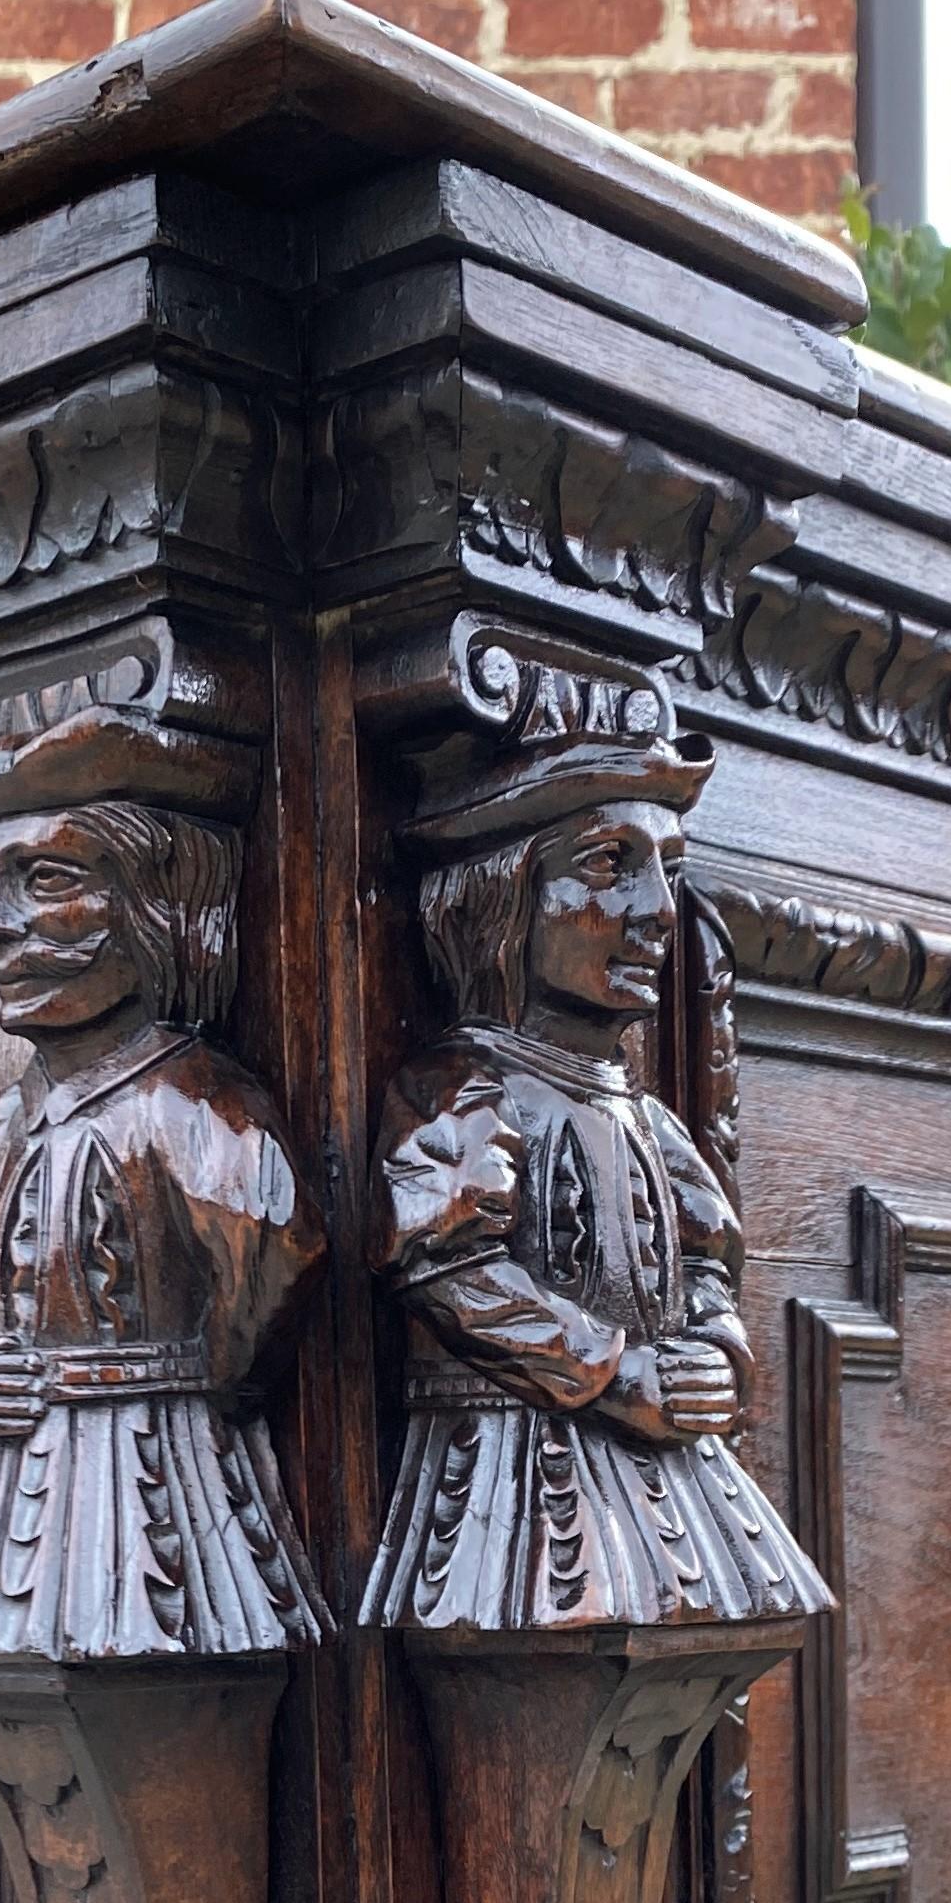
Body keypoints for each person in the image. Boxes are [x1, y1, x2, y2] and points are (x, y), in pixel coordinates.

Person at [360, 701, 828, 1638]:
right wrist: (616, 1373)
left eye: (671, 873)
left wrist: (714, 1352)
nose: (658, 911)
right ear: (500, 901)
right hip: (514, 1475)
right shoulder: (467, 1086)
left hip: (670, 1480)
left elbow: (708, 1257)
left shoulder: (647, 1117)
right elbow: (445, 1265)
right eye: (611, 867)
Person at [0, 712, 326, 1668]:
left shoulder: (192, 1112)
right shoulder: (0, 1129)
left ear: (158, 904)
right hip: (1, 1504)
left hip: (156, 1487)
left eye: (45, 879)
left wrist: (190, 1386)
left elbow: (275, 1261)